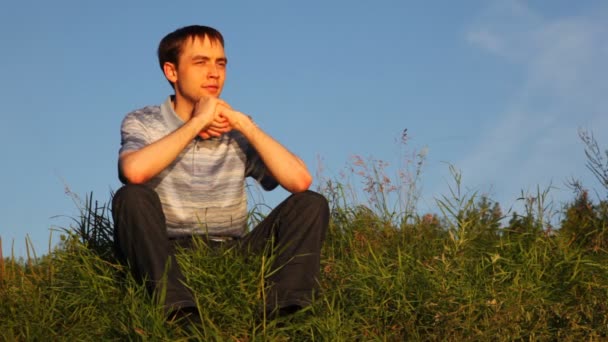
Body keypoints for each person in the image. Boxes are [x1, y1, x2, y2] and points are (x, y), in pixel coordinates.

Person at [111, 25, 329, 324]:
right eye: (200, 62)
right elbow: (133, 171)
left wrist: (245, 126)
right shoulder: (143, 121)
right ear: (171, 72)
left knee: (311, 204)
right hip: (166, 251)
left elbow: (300, 181)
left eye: (221, 63)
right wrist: (196, 124)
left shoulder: (236, 131)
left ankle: (286, 310)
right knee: (131, 197)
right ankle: (179, 312)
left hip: (233, 250)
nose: (214, 73)